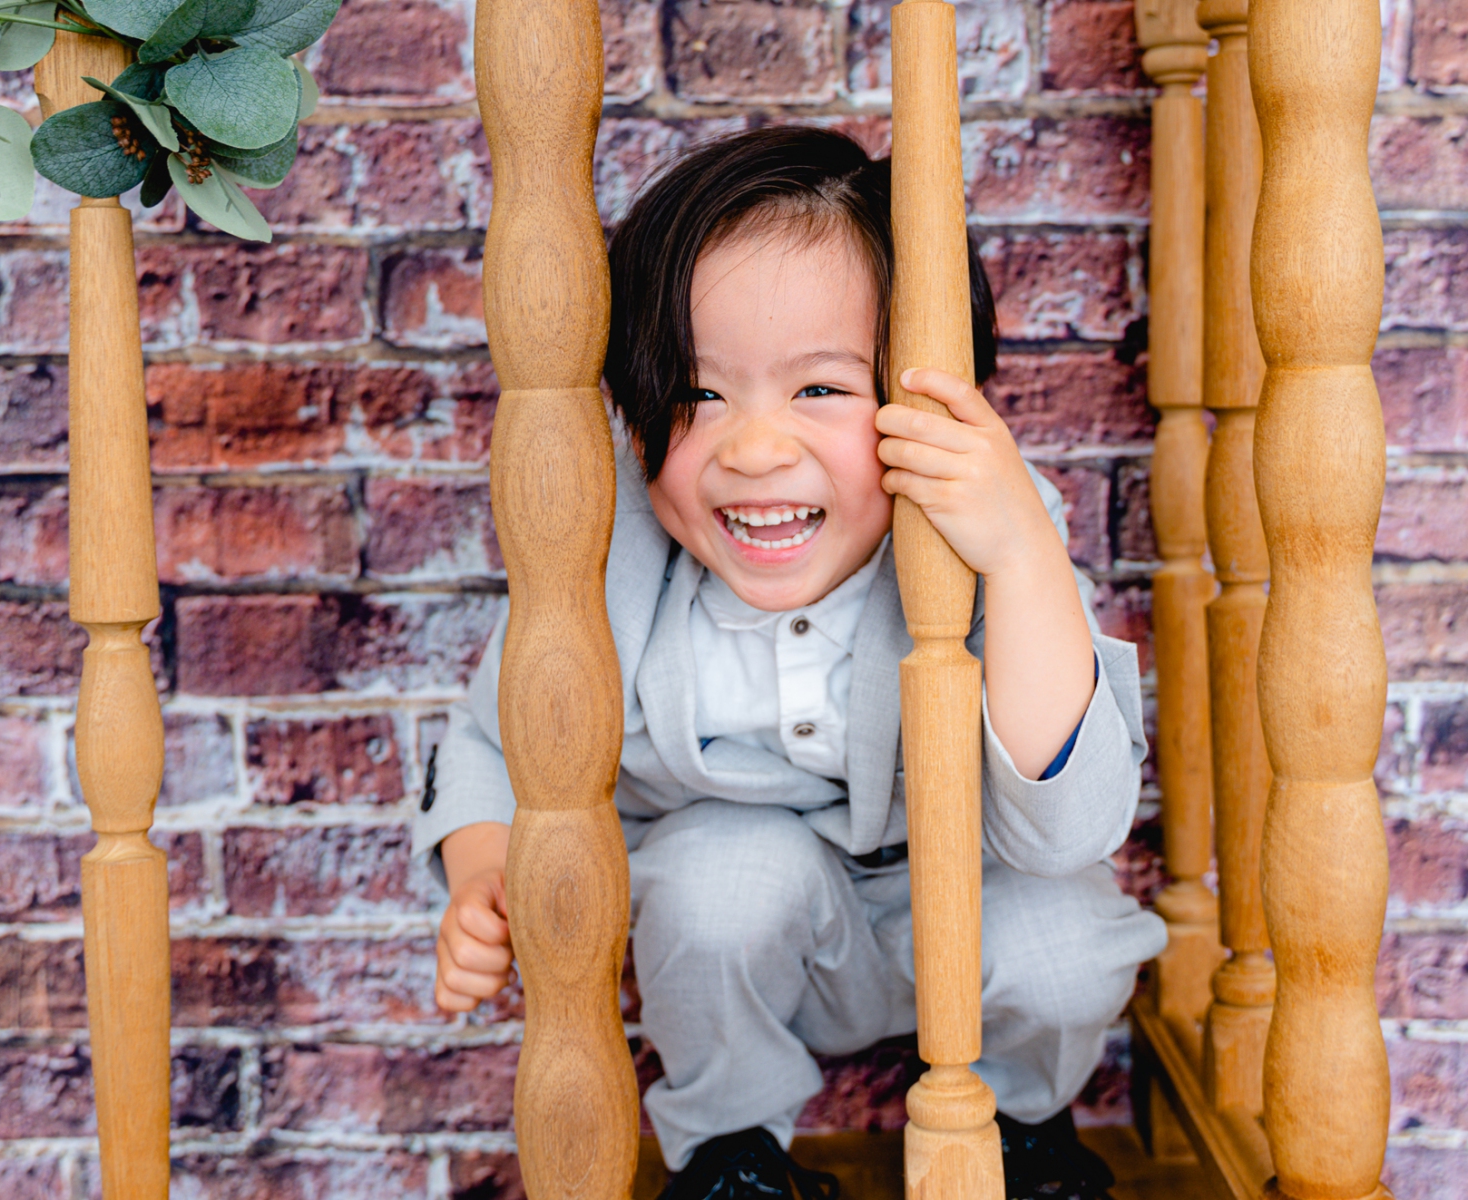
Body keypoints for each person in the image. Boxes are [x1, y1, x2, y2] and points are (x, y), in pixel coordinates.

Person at [412, 125, 1166, 1200]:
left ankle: (1022, 1126)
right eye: (698, 395)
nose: (755, 449)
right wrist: (486, 872)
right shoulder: (611, 549)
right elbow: (496, 739)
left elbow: (1067, 828)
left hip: (971, 904)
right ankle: (733, 1152)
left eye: (820, 390)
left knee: (1070, 937)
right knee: (718, 875)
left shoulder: (993, 530)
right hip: (739, 936)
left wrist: (1019, 554)